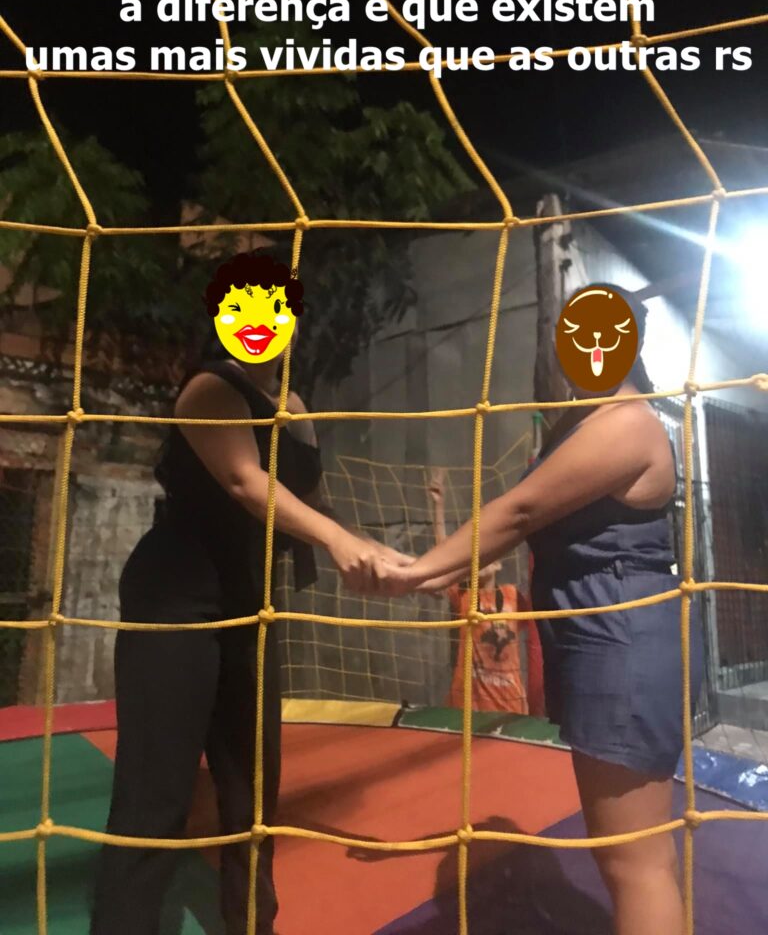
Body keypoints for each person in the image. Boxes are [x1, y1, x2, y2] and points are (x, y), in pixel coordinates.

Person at [91, 251, 408, 935]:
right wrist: (337, 540)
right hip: (177, 596)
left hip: (251, 602)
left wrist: (380, 557)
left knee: (252, 797)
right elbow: (245, 481)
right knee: (157, 795)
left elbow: (305, 500)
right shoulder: (208, 389)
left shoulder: (296, 407)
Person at [381, 285, 705, 935]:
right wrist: (431, 569)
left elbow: (521, 511)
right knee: (634, 858)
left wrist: (416, 571)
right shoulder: (585, 421)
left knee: (636, 864)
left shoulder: (627, 422)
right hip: (602, 634)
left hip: (622, 638)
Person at [428, 468, 527, 714]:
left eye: (486, 555)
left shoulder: (513, 596)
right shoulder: (464, 597)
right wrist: (438, 505)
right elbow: (443, 556)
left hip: (509, 702)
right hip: (468, 703)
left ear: (498, 563)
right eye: (476, 557)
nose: (480, 561)